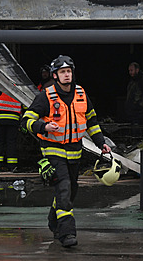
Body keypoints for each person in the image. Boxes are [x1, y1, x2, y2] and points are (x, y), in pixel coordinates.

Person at [21, 55, 111, 248]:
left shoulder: (81, 94)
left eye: (69, 71)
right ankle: (67, 234)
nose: (67, 75)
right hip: (53, 150)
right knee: (63, 188)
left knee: (70, 192)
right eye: (62, 72)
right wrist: (44, 127)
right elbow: (26, 120)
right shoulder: (46, 96)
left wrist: (101, 142)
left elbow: (92, 122)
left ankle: (53, 221)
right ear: (55, 76)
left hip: (74, 152)